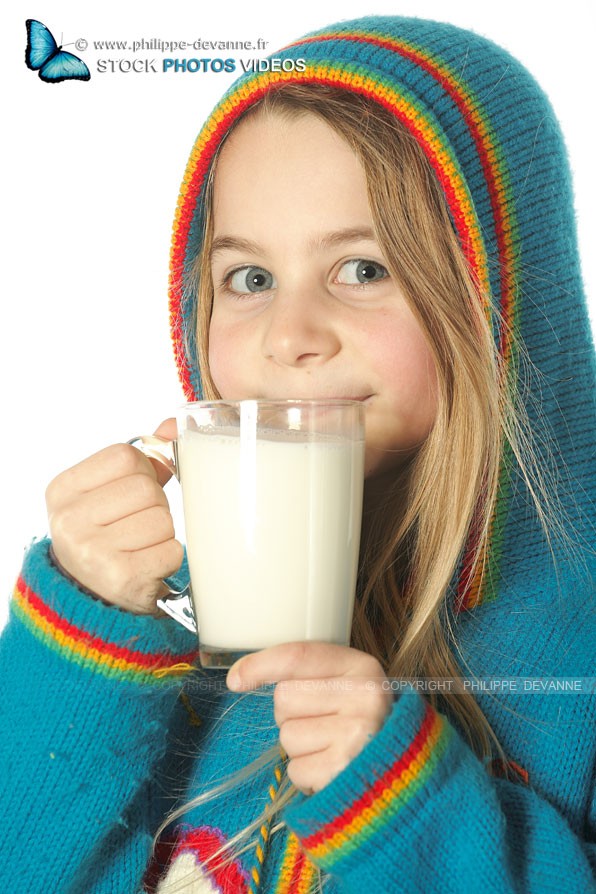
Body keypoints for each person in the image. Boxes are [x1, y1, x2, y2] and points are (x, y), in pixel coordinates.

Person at [1, 14, 594, 893]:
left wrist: (411, 807)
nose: (290, 336)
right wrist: (78, 644)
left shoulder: (570, 671)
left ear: (500, 302)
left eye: (363, 268)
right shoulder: (189, 658)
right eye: (250, 278)